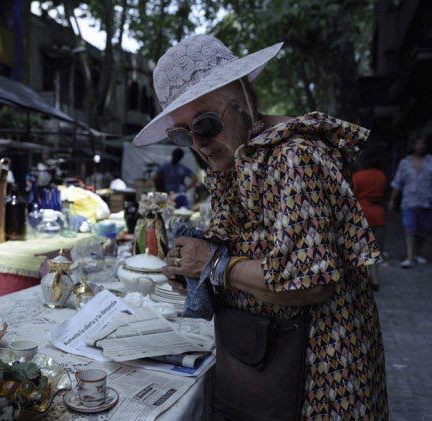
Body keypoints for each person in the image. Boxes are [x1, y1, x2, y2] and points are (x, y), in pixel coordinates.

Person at [133, 35, 387, 419]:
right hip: (273, 367)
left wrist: (215, 267)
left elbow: (310, 282)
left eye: (205, 123)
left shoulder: (294, 157)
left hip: (317, 377)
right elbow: (245, 259)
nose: (199, 144)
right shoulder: (239, 161)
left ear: (243, 95)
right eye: (184, 134)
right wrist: (196, 272)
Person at [389, 136, 432, 268]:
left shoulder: (430, 161)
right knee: (410, 228)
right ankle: (409, 257)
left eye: (423, 144)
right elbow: (397, 182)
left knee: (425, 230)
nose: (421, 146)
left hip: (427, 201)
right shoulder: (405, 163)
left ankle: (417, 254)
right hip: (409, 202)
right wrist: (392, 199)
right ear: (413, 146)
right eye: (418, 144)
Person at [352, 150, 388, 290]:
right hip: (378, 214)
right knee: (376, 249)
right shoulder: (382, 176)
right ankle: (375, 279)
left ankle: (362, 280)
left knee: (362, 248)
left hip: (362, 213)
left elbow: (352, 195)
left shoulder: (358, 176)